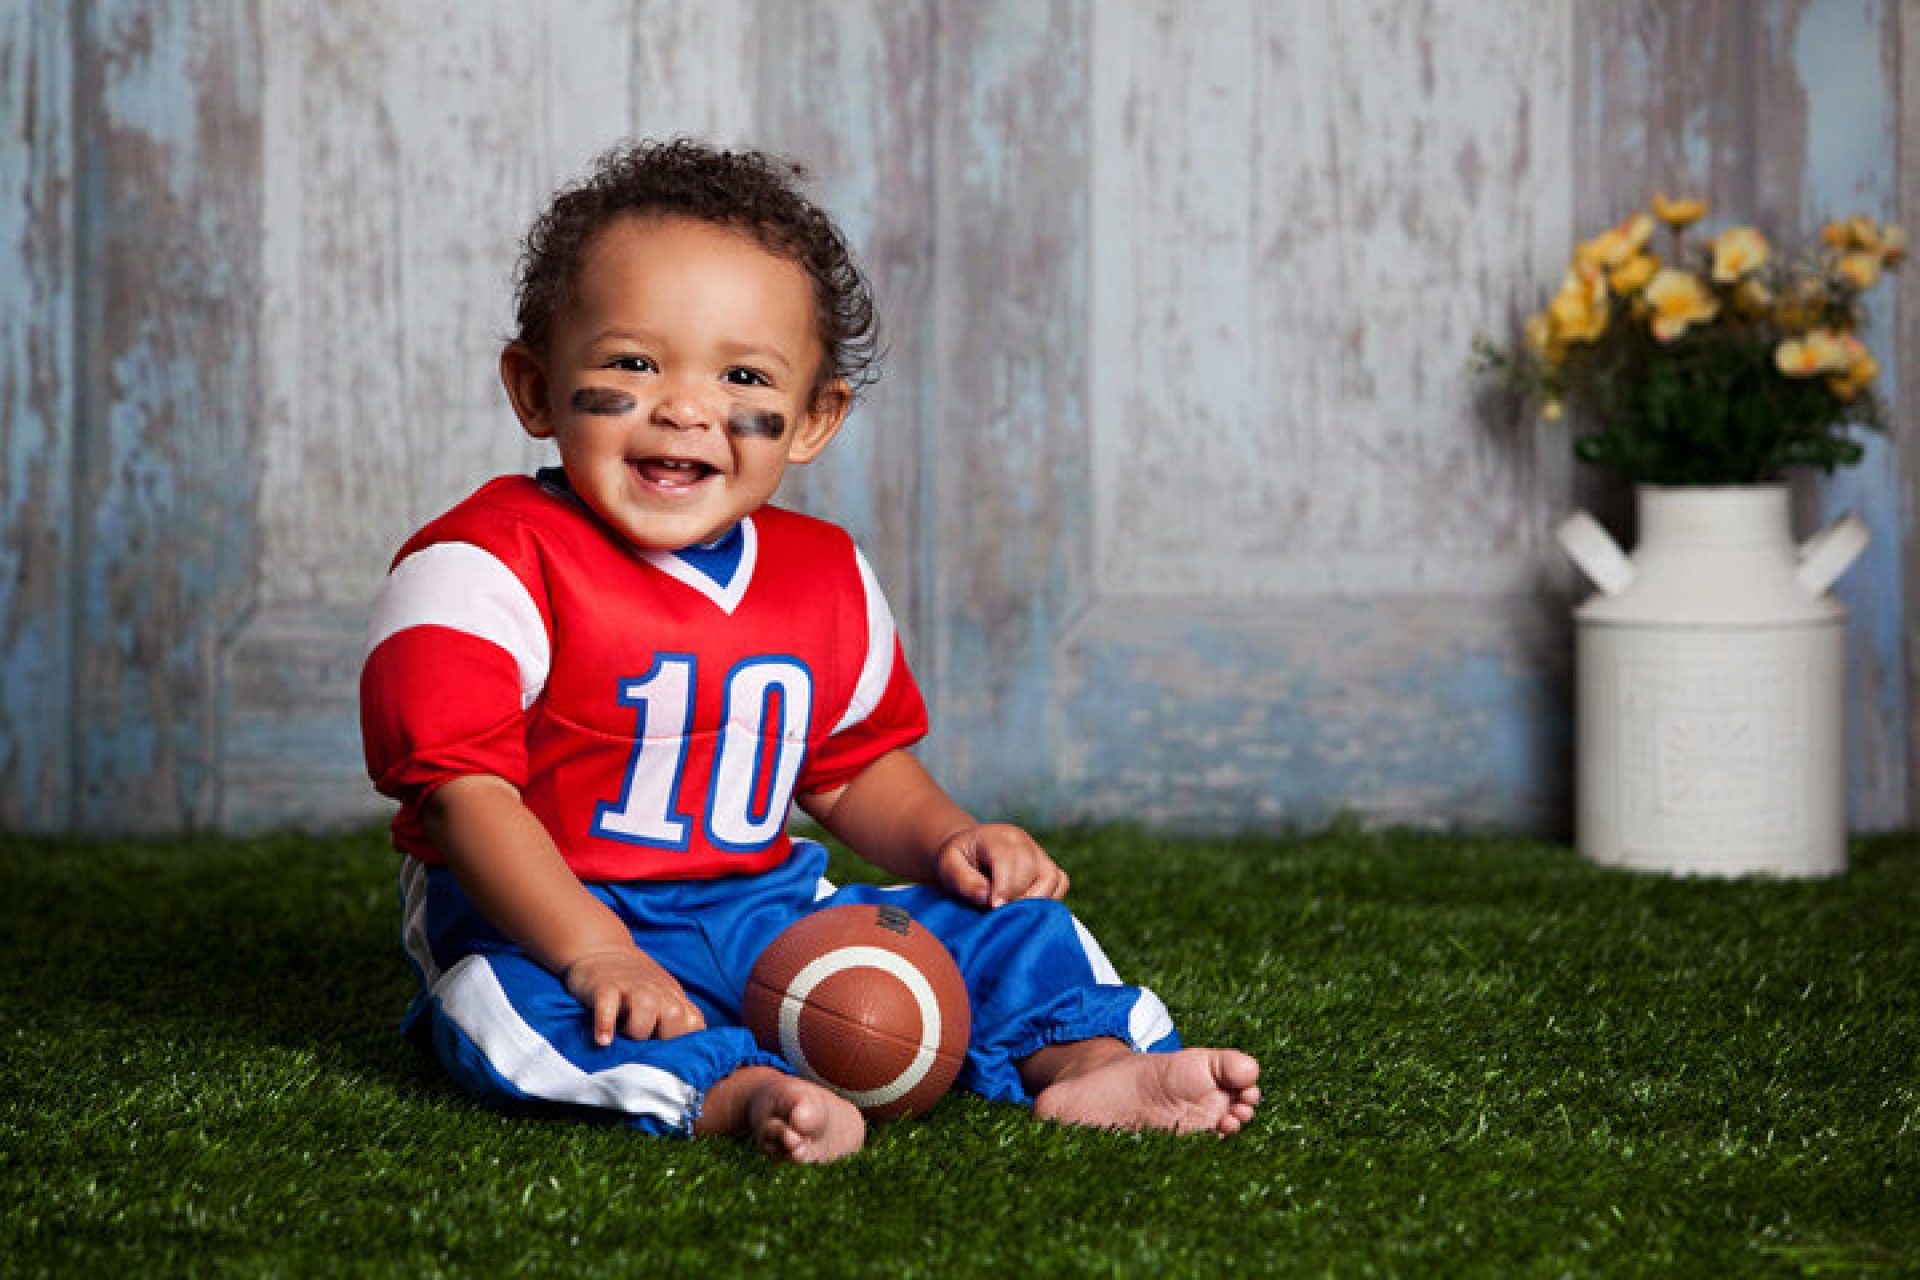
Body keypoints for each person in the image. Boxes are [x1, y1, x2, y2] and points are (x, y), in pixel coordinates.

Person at [360, 138, 1260, 1163]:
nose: (686, 405)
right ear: (534, 386)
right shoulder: (480, 567)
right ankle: (738, 1091)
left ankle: (1089, 1062)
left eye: (742, 374)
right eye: (632, 363)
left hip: (763, 910)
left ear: (812, 419)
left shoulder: (825, 572)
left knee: (1017, 932)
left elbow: (850, 761)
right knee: (496, 1008)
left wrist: (947, 838)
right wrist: (596, 949)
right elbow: (461, 793)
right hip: (552, 919)